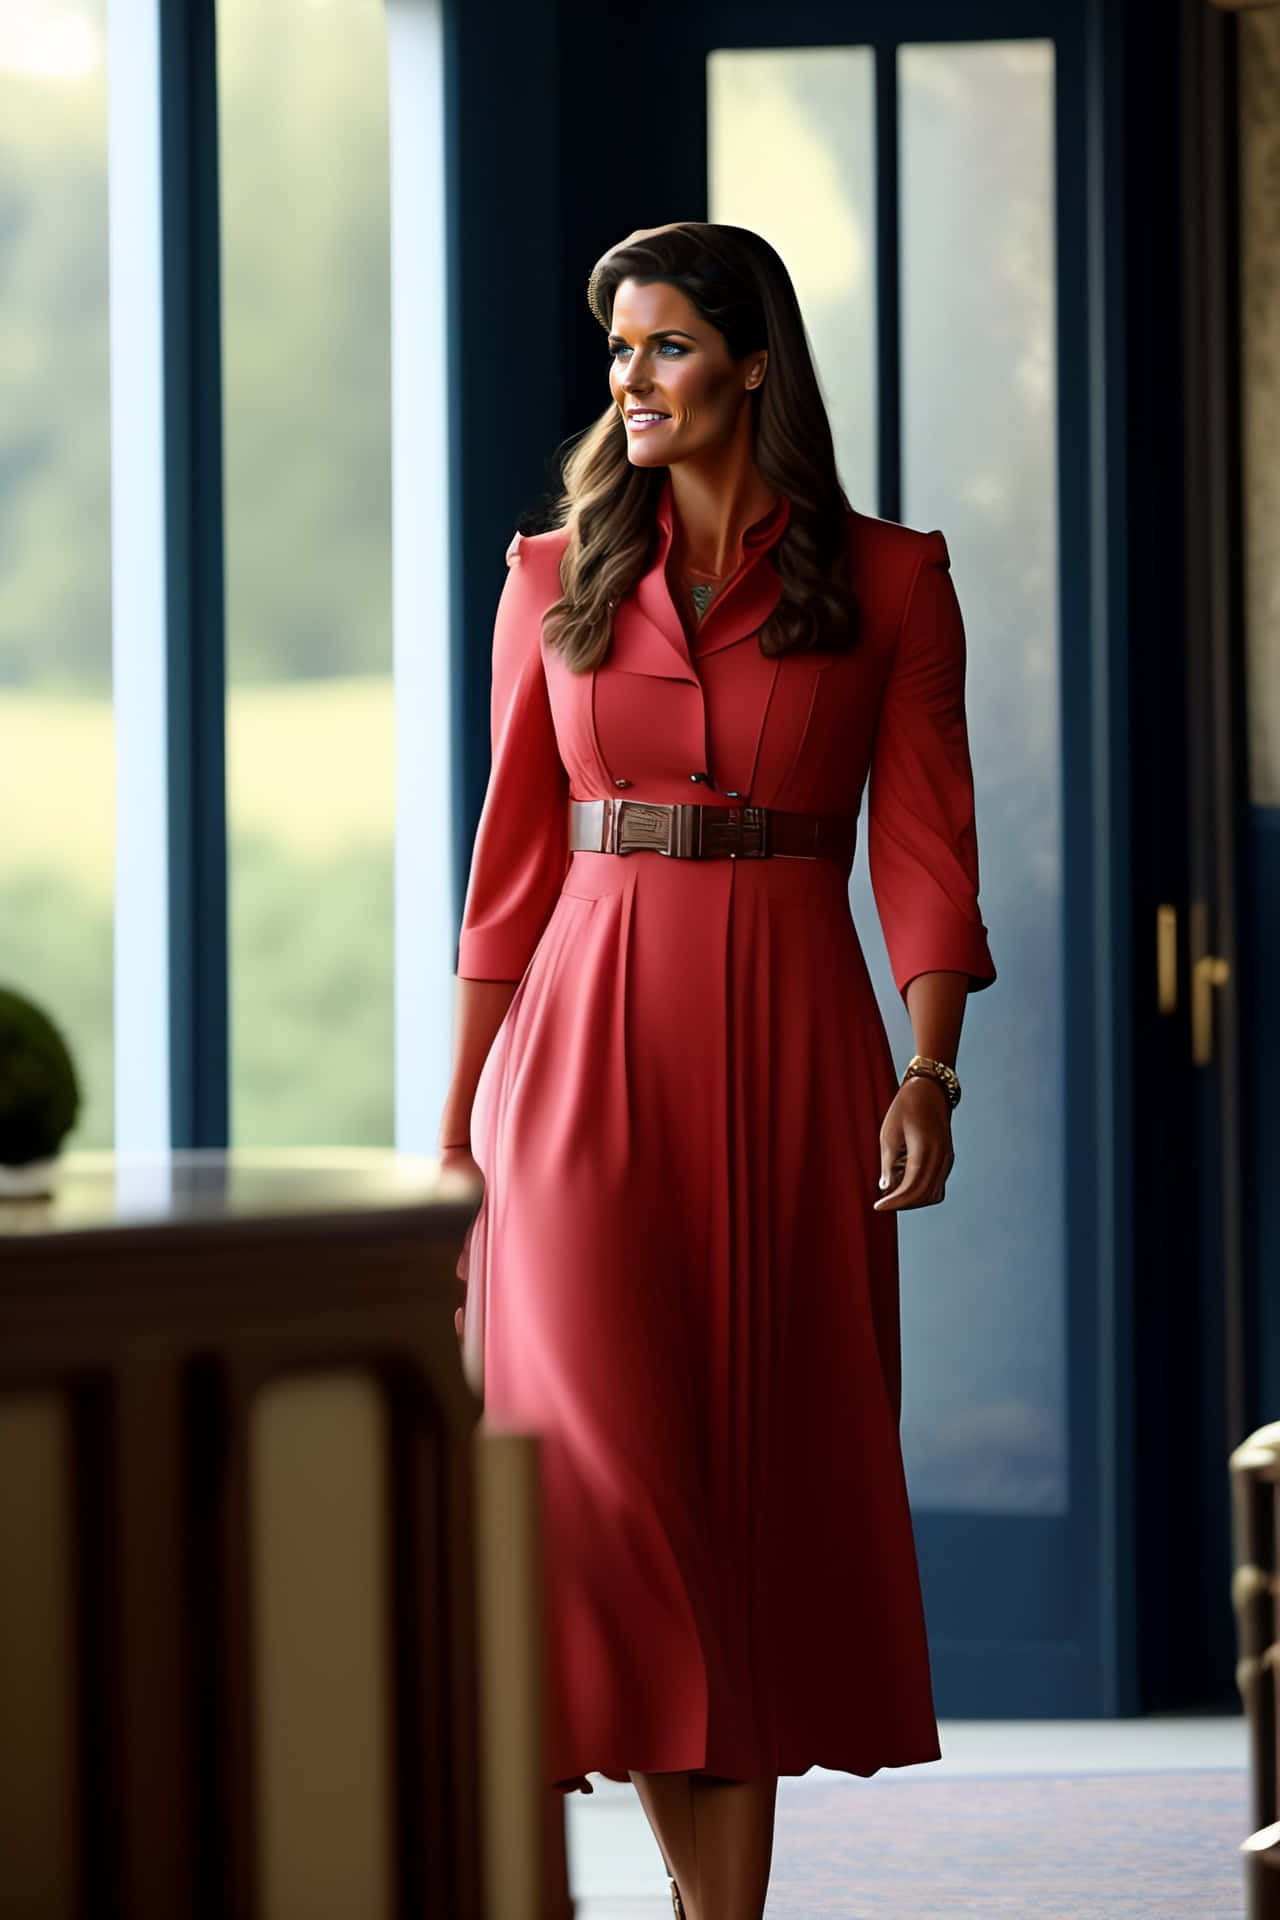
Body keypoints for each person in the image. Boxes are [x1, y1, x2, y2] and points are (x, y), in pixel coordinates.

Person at [437, 220, 996, 1920]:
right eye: (619, 354)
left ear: (754, 362)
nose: (633, 380)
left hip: (791, 1057)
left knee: (741, 1508)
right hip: (579, 1059)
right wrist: (452, 1139)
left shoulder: (892, 582)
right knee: (608, 1488)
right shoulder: (551, 581)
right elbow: (508, 872)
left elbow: (925, 850)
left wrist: (928, 1068)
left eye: (667, 346)